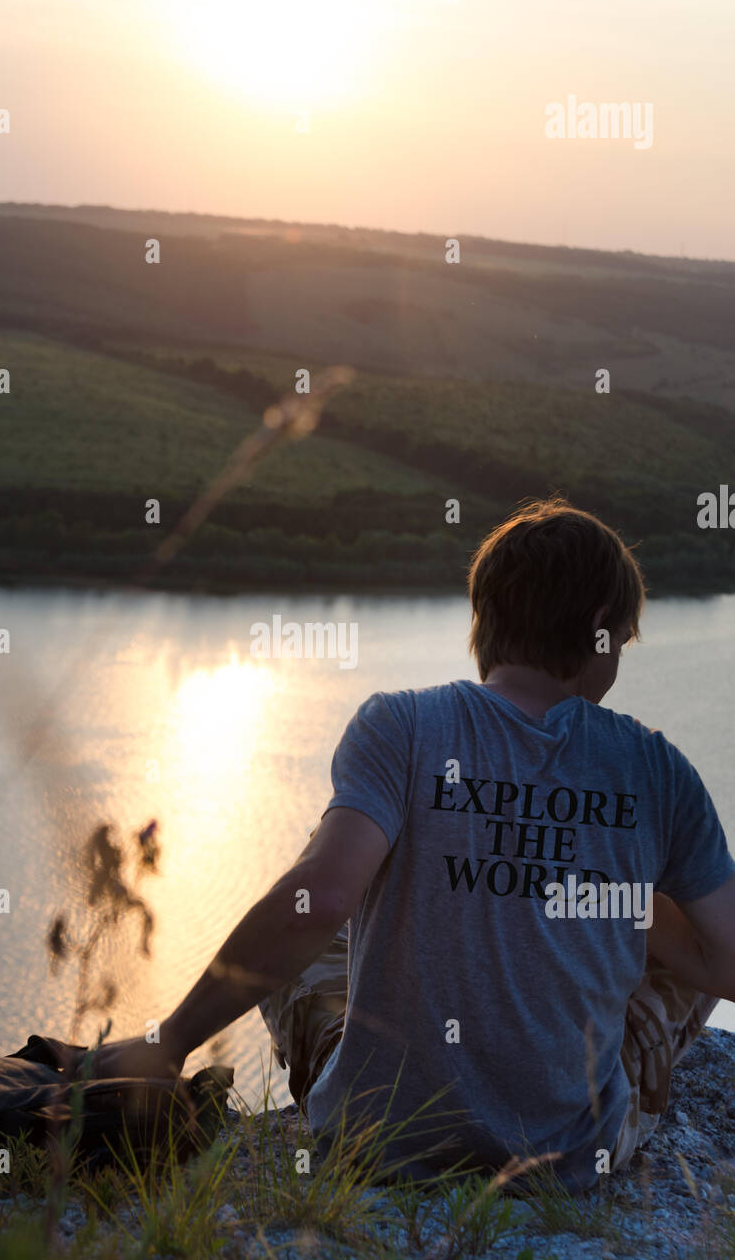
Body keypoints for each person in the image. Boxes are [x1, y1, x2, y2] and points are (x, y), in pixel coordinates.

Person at [93, 499, 735, 1192]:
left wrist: (169, 1043)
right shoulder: (656, 769)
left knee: (321, 880)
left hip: (376, 1139)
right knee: (690, 911)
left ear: (483, 619)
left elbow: (317, 901)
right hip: (568, 1162)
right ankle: (612, 1064)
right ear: (600, 637)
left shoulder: (400, 725)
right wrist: (606, 898)